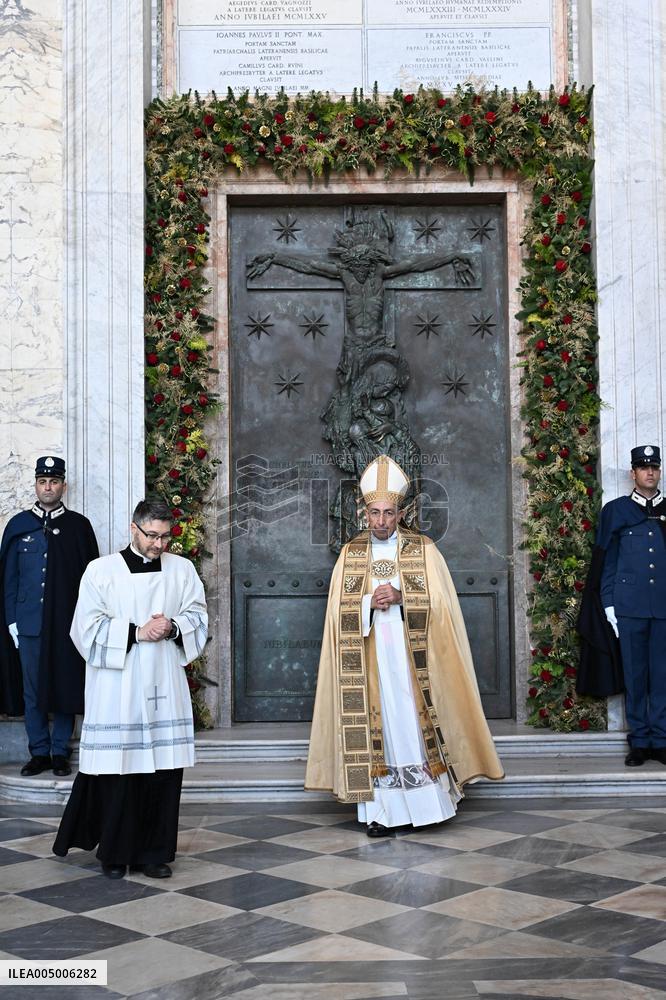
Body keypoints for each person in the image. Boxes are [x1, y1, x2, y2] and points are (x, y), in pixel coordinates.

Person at [305, 455, 503, 836]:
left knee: (412, 725)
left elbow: (444, 606)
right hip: (370, 660)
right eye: (374, 512)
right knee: (381, 729)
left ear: (401, 513)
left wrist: (402, 597)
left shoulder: (422, 549)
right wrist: (367, 604)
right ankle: (382, 814)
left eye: (389, 513)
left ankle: (426, 808)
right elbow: (336, 615)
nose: (381, 521)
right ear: (364, 513)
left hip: (415, 661)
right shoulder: (352, 555)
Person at [53, 499, 207, 878]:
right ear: (133, 528)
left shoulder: (182, 570)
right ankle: (115, 854)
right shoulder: (101, 571)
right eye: (151, 535)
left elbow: (198, 615)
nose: (158, 545)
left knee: (163, 773)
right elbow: (84, 628)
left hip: (164, 685)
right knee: (119, 773)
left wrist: (171, 627)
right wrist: (137, 632)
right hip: (117, 687)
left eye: (165, 537)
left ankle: (154, 853)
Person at [0, 457, 99, 776]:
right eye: (43, 482)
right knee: (32, 690)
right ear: (36, 485)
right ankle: (38, 751)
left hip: (67, 624)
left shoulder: (78, 527)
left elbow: (91, 579)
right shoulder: (18, 525)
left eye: (54, 482)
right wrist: (13, 621)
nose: (48, 487)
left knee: (65, 684)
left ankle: (60, 751)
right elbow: (9, 578)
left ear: (63, 486)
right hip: (28, 624)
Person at [581, 445, 666, 767]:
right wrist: (609, 607)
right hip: (629, 609)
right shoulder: (616, 511)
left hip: (663, 608)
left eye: (654, 468)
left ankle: (660, 740)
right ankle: (639, 741)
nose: (649, 473)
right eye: (643, 468)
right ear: (633, 473)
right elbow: (607, 562)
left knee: (661, 677)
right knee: (635, 676)